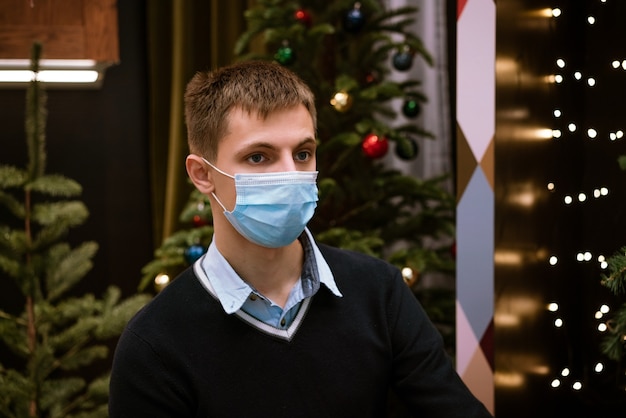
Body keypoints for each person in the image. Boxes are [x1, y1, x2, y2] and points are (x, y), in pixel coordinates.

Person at [109, 60, 492, 418]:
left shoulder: (379, 292)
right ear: (202, 174)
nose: (291, 174)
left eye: (304, 153)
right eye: (259, 157)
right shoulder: (155, 345)